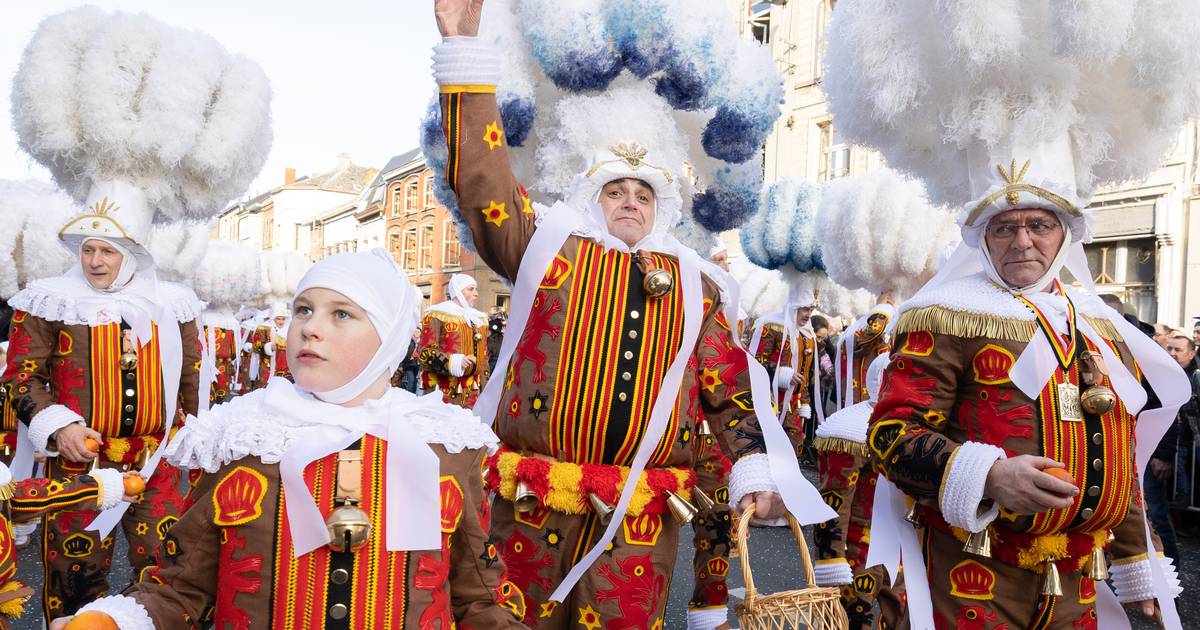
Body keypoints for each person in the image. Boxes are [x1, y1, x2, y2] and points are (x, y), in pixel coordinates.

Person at [430, 3, 805, 627]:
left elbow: (729, 390)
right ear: (589, 195)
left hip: (638, 523)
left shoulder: (697, 288)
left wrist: (754, 468)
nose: (630, 202)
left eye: (643, 193)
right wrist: (465, 60)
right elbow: (483, 184)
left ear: (662, 207)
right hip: (531, 505)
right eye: (615, 190)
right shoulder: (546, 250)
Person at [50, 250, 528, 630]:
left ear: (389, 338)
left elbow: (477, 593)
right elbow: (182, 583)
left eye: (342, 313)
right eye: (304, 309)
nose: (310, 326)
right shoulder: (249, 438)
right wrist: (112, 621)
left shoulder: (443, 446)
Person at [4, 198, 202, 619]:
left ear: (132, 255)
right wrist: (60, 429)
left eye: (108, 250)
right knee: (75, 574)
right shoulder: (50, 301)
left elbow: (191, 379)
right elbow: (22, 375)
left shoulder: (173, 304)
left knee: (166, 568)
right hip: (81, 466)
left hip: (155, 461)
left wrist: (196, 440)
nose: (95, 261)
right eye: (87, 249)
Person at [813, 354, 903, 629]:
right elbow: (834, 503)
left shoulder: (908, 427)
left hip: (902, 544)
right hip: (859, 547)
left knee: (901, 615)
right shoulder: (850, 431)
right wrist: (832, 559)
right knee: (853, 618)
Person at [417, 274, 490, 407]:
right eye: (471, 289)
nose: (476, 293)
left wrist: (486, 389)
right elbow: (424, 354)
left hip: (473, 392)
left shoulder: (479, 319)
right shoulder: (437, 315)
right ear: (458, 291)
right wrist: (455, 362)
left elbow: (484, 358)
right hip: (443, 391)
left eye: (476, 289)